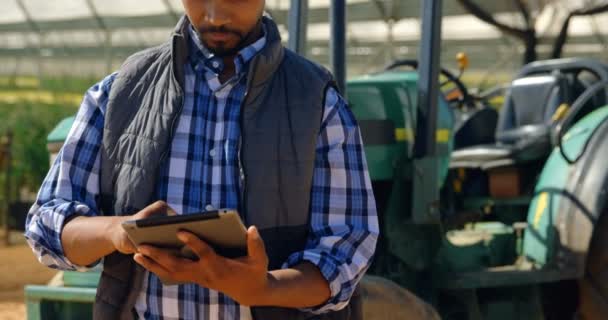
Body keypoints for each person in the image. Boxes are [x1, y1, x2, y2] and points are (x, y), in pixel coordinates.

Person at [25, 0, 378, 319]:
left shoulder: (317, 102)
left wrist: (265, 288)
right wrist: (116, 231)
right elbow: (46, 223)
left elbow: (346, 248)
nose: (215, 15)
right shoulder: (120, 94)